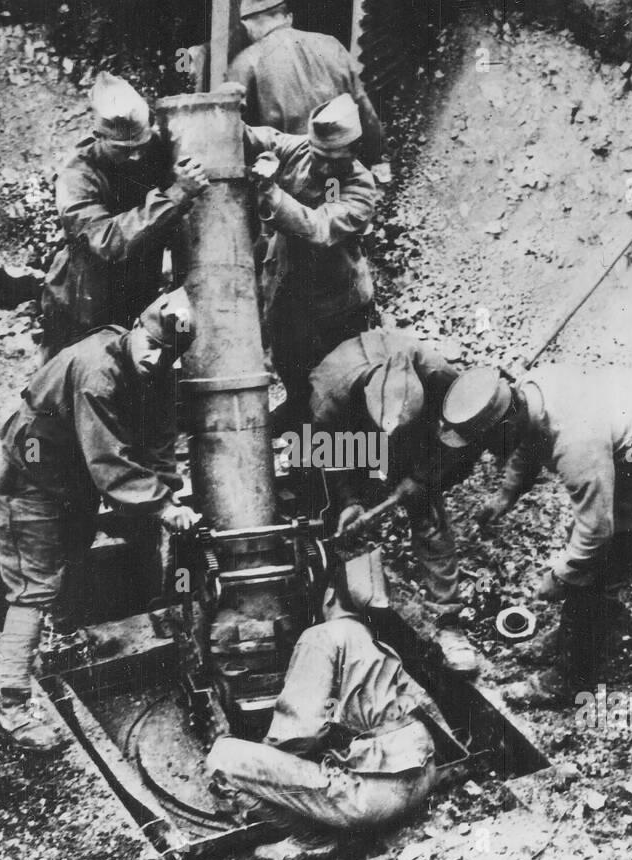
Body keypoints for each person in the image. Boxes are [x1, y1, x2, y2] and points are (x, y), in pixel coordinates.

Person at [0, 290, 200, 752]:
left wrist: (169, 488)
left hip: (71, 479)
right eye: (152, 344)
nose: (156, 359)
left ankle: (53, 640)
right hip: (33, 484)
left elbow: (161, 438)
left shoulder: (156, 371)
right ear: (137, 327)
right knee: (33, 588)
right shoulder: (97, 372)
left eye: (170, 353)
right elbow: (108, 459)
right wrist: (161, 507)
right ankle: (13, 708)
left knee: (72, 554)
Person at [439, 364, 632, 704]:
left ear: (505, 422)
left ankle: (571, 679)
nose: (489, 453)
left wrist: (561, 575)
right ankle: (572, 633)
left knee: (595, 575)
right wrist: (508, 492)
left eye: (489, 444)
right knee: (586, 558)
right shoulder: (529, 396)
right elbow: (526, 440)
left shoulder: (576, 442)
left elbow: (597, 530)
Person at [206, 551, 446, 860]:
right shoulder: (378, 639)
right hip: (423, 774)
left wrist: (266, 764)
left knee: (223, 758)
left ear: (330, 595)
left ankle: (314, 839)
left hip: (373, 796)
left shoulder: (321, 636)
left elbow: (297, 732)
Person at [308, 329, 479, 676]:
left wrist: (423, 477)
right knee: (333, 516)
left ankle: (448, 620)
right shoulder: (329, 395)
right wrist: (348, 500)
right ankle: (342, 598)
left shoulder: (439, 376)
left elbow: (466, 435)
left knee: (428, 513)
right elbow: (329, 457)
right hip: (353, 435)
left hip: (418, 436)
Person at [39, 73, 209, 358]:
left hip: (138, 290)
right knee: (75, 384)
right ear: (97, 137)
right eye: (122, 150)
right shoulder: (76, 177)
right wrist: (176, 196)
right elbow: (107, 241)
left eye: (140, 146)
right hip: (82, 305)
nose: (135, 158)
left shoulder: (154, 149)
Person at [245, 93, 381, 423]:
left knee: (341, 392)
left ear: (354, 150)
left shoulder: (360, 187)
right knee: (295, 380)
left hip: (338, 310)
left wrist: (271, 192)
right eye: (318, 155)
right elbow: (256, 137)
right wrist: (223, 117)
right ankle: (304, 462)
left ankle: (346, 467)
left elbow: (319, 228)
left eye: (333, 159)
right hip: (289, 298)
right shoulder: (299, 149)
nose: (322, 165)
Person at [227, 0, 388, 181]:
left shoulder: (245, 62)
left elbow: (231, 134)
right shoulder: (332, 45)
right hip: (337, 174)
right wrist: (376, 157)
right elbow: (365, 112)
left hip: (288, 183)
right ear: (288, 17)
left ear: (246, 24)